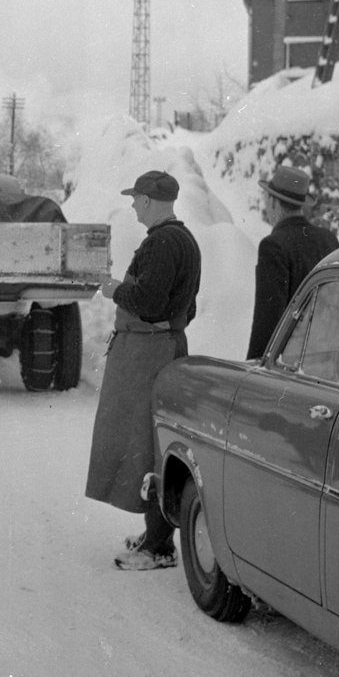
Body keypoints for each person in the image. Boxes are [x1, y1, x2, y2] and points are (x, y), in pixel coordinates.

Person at [85, 170, 201, 571]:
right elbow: (188, 308)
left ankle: (159, 548)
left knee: (148, 446)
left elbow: (149, 302)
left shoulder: (161, 242)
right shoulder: (185, 241)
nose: (133, 205)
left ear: (150, 201)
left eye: (136, 198)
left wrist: (113, 288)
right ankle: (156, 537)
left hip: (147, 355)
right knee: (155, 443)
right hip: (165, 347)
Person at [246, 165, 339, 360]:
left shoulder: (273, 246)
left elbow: (267, 321)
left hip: (291, 367)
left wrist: (254, 365)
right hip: (328, 360)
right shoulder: (328, 239)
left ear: (273, 202)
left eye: (266, 198)